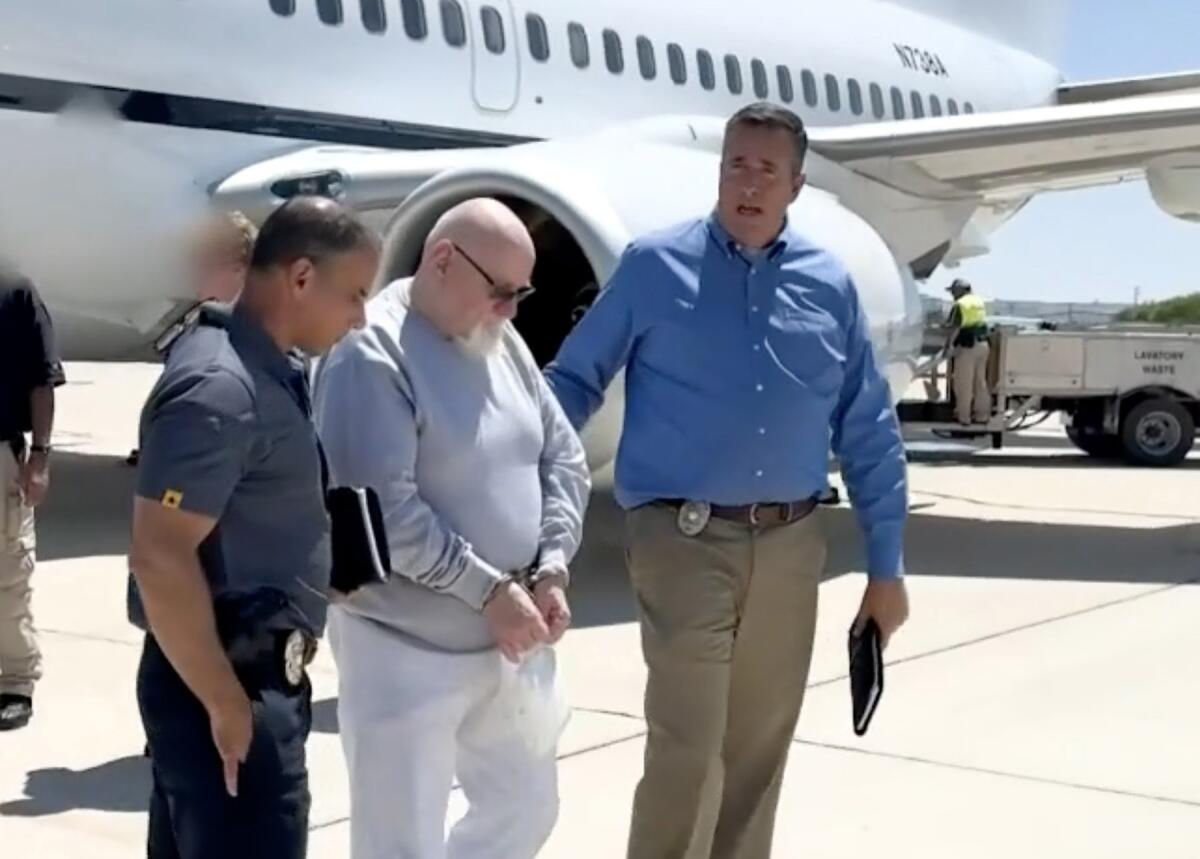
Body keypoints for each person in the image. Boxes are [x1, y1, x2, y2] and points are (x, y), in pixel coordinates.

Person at [544, 102, 911, 859]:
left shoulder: (827, 285)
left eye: (766, 169)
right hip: (681, 539)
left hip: (790, 543)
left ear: (796, 184)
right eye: (735, 164)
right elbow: (574, 380)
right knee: (687, 745)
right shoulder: (654, 266)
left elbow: (869, 429)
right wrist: (502, 462)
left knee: (756, 753)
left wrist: (886, 567)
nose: (747, 182)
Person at [311, 197, 591, 859]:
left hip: (508, 646)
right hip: (403, 651)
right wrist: (488, 591)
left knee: (526, 808)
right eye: (500, 291)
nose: (512, 309)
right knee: (399, 843)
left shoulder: (499, 336)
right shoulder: (369, 350)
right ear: (442, 261)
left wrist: (551, 563)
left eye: (521, 292)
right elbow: (383, 513)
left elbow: (563, 456)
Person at [127, 195, 379, 858]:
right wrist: (224, 702)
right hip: (225, 680)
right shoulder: (220, 387)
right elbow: (159, 554)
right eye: (353, 295)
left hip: (250, 671)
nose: (359, 317)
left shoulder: (271, 367)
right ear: (300, 277)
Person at [127, 210, 259, 467]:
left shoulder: (248, 338)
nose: (194, 274)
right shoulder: (205, 325)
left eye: (204, 264)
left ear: (237, 268)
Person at [0, 262, 65, 731]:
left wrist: (39, 456)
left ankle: (16, 683)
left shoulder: (15, 288)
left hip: (1, 453)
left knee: (8, 575)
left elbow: (42, 379)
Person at [943, 278, 992, 425]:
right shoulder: (978, 302)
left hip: (968, 347)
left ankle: (964, 417)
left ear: (960, 291)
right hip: (983, 345)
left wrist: (948, 346)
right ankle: (982, 416)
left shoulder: (960, 304)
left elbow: (955, 327)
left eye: (953, 291)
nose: (952, 295)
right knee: (980, 382)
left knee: (964, 383)